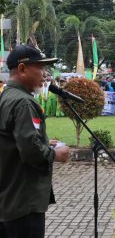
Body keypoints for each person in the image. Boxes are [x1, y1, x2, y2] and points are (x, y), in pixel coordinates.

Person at [0, 44, 70, 238]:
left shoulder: (7, 95)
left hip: (10, 198)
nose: (44, 74)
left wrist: (45, 143)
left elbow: (16, 141)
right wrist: (55, 153)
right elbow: (31, 151)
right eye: (40, 68)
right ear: (22, 69)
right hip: (24, 201)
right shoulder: (23, 102)